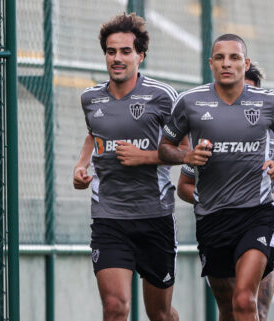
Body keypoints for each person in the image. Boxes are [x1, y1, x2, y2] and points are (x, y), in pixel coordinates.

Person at [158, 34, 274, 321]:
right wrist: (187, 157)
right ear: (211, 63)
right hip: (213, 217)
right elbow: (164, 147)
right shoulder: (190, 102)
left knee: (246, 300)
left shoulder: (269, 102)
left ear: (245, 64)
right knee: (228, 309)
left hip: (256, 213)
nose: (227, 64)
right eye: (220, 57)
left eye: (234, 58)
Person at [72, 13, 180, 321]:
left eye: (125, 51)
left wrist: (145, 157)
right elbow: (94, 133)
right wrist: (81, 166)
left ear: (140, 55)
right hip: (109, 217)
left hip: (155, 216)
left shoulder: (163, 96)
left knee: (158, 313)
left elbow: (186, 151)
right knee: (115, 307)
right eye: (111, 51)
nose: (117, 58)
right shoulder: (90, 98)